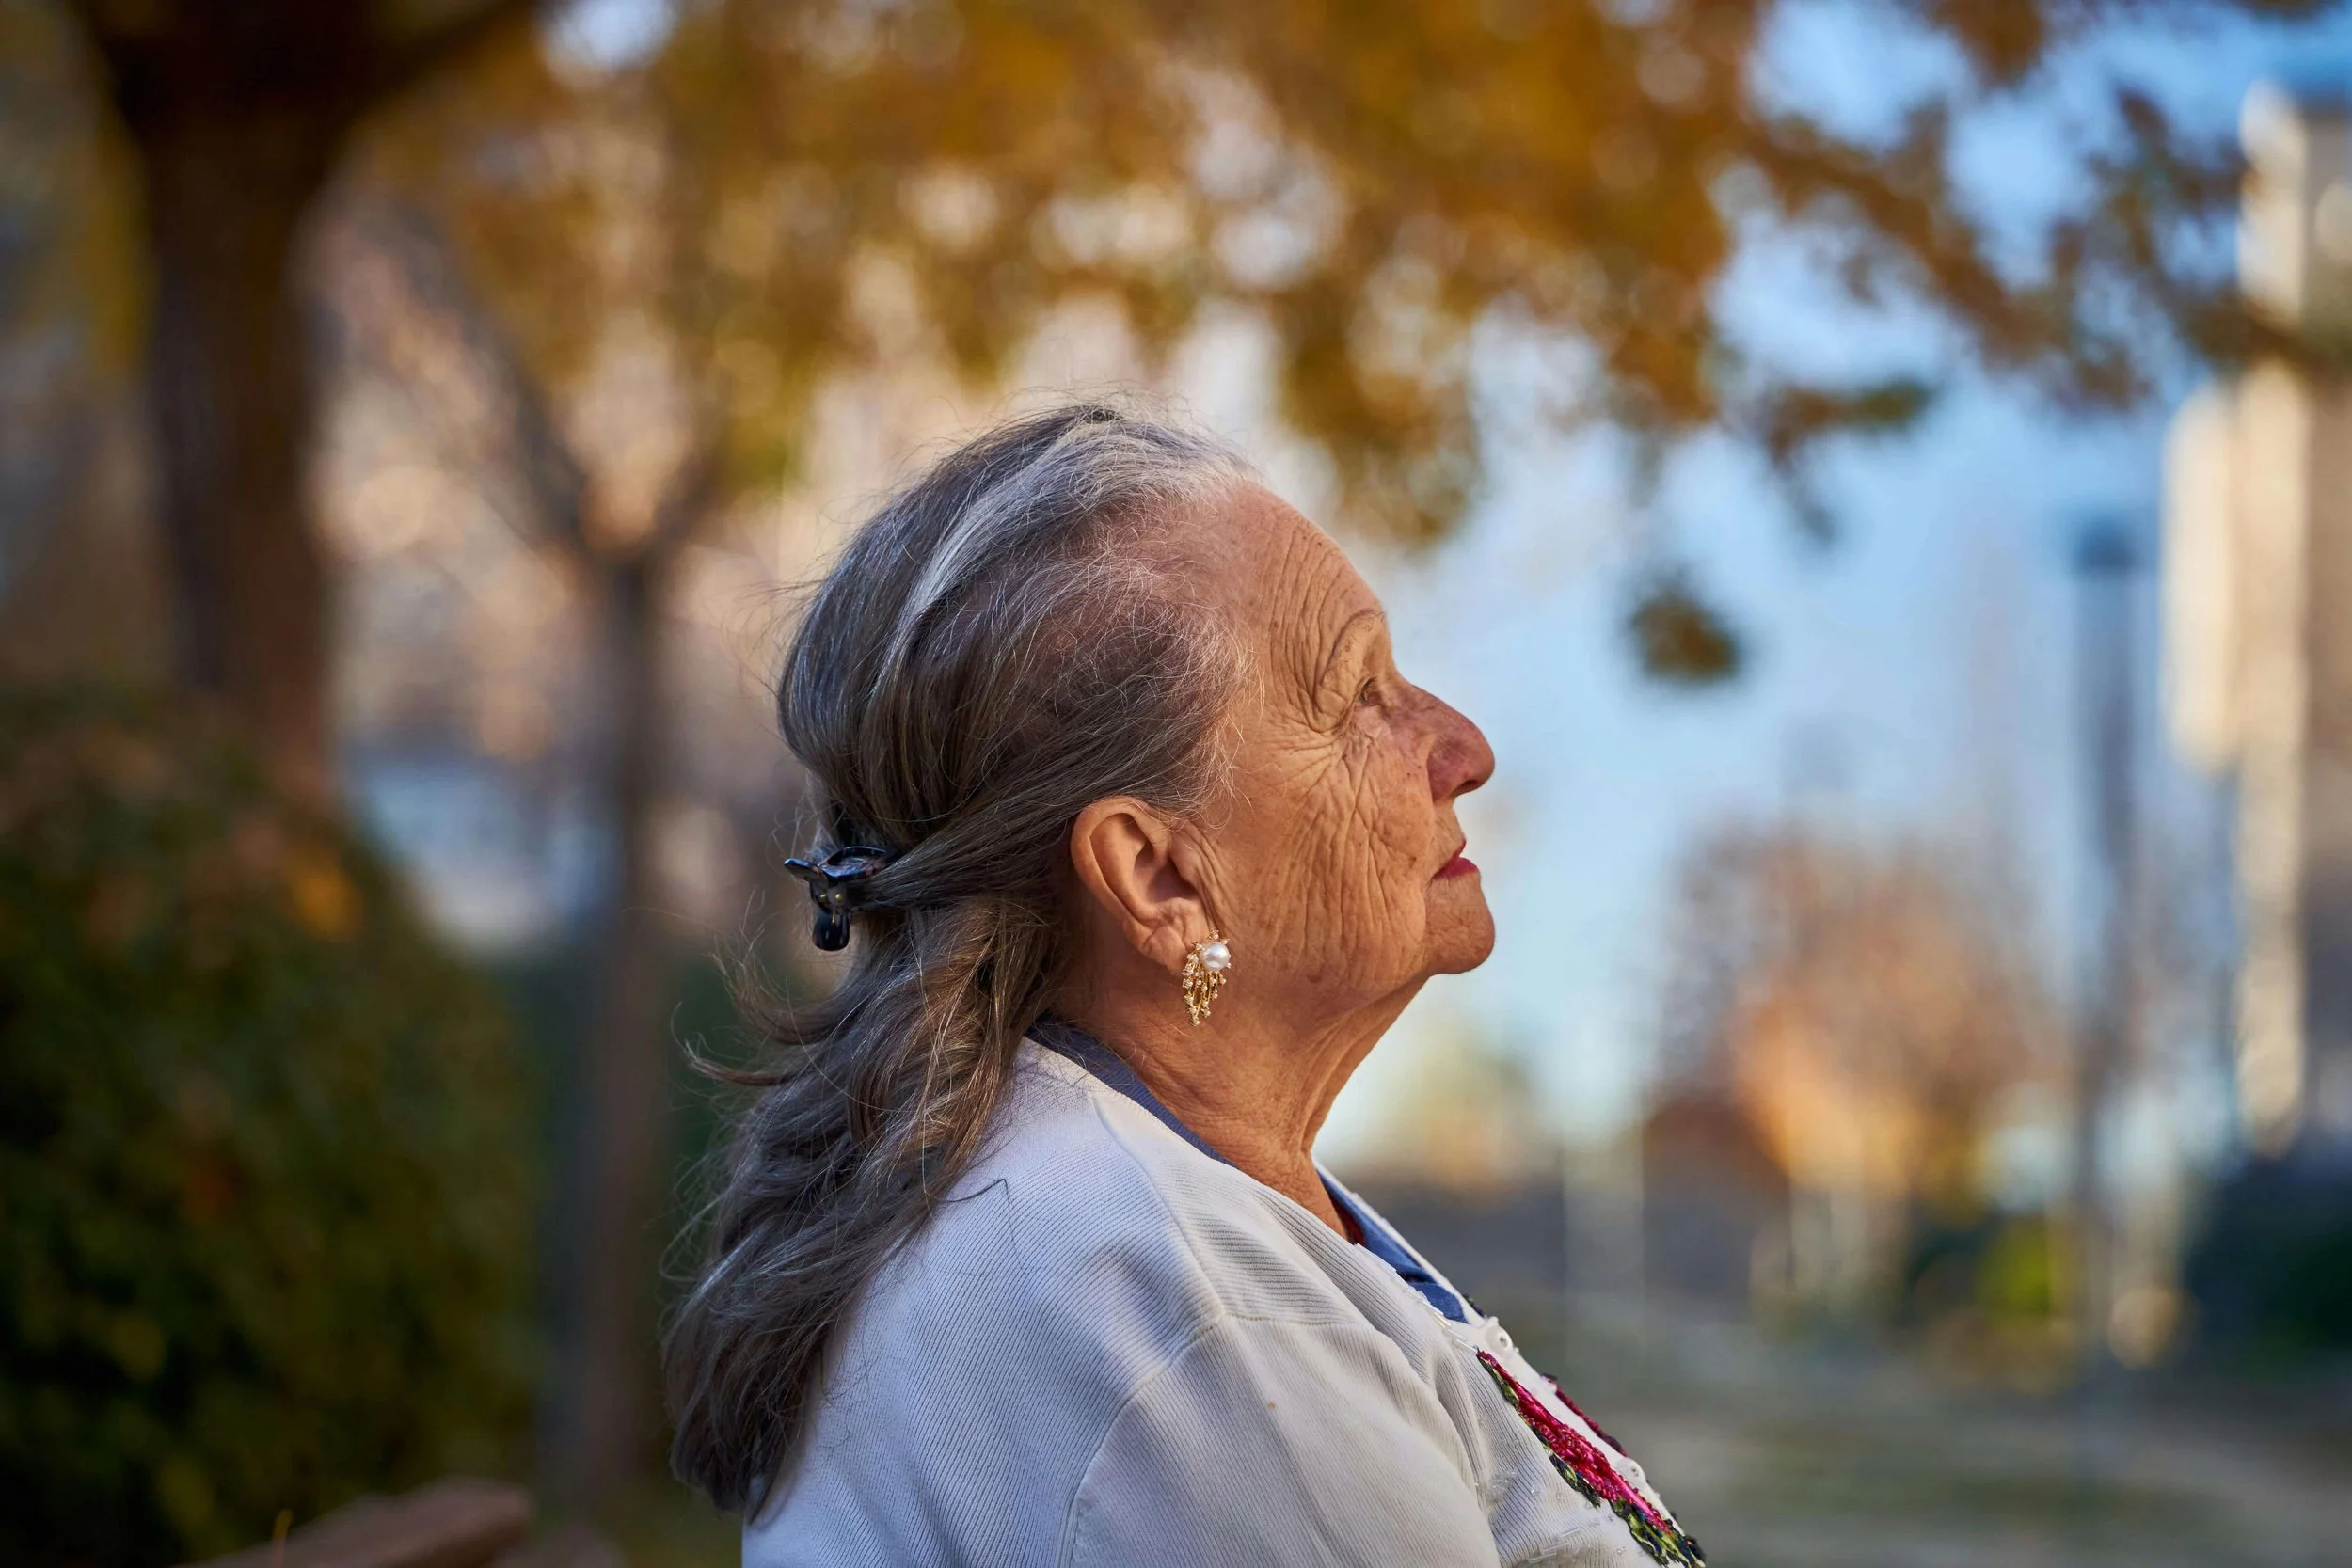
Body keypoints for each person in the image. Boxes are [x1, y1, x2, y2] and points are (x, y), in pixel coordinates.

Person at [664, 404, 1705, 1567]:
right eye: (1357, 693)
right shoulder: (1178, 1314)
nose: (1461, 745)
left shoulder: (1147, 1217)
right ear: (1160, 877)